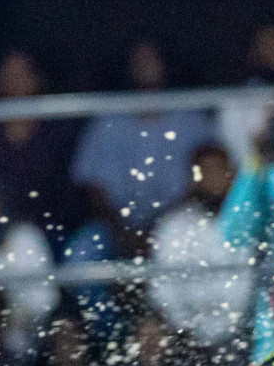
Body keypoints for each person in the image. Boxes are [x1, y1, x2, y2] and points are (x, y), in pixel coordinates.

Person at [68, 39, 218, 258]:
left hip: (179, 223)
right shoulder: (106, 121)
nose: (145, 67)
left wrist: (161, 228)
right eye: (139, 61)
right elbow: (92, 187)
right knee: (82, 253)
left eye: (151, 60)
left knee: (188, 242)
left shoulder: (192, 121)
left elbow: (208, 179)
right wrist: (121, 231)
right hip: (115, 227)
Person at [0, 50, 83, 256]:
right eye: (8, 74)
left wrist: (14, 219)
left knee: (25, 244)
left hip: (46, 233)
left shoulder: (58, 133)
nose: (14, 82)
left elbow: (66, 199)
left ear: (36, 80)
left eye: (21, 74)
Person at [149, 142, 250, 348]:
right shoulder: (174, 226)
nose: (213, 179)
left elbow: (255, 286)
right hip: (187, 338)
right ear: (193, 179)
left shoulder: (250, 223)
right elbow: (163, 291)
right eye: (205, 172)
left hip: (244, 334)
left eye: (219, 171)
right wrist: (185, 331)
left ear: (232, 175)